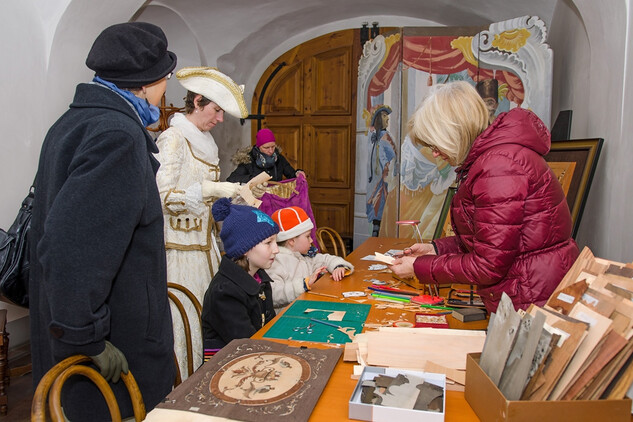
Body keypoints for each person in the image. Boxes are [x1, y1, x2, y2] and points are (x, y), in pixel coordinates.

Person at [29, 22, 177, 420]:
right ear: (147, 83)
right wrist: (87, 339)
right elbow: (71, 247)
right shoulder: (117, 134)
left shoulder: (74, 122)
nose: (166, 90)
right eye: (166, 79)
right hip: (113, 347)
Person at [390, 81, 579, 313]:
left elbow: (489, 265)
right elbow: (491, 241)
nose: (436, 153)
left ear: (454, 132)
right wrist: (436, 249)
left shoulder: (498, 167)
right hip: (528, 289)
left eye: (436, 144)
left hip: (531, 298)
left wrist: (419, 267)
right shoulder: (496, 159)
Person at [154, 66, 248, 379]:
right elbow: (164, 197)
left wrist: (240, 194)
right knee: (185, 323)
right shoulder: (173, 139)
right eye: (217, 110)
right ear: (197, 102)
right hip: (178, 252)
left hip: (205, 249)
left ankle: (206, 384)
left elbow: (209, 205)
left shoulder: (206, 143)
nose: (220, 119)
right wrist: (211, 189)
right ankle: (178, 390)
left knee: (209, 318)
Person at [201, 197, 279, 361]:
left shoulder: (260, 280)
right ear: (244, 248)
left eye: (276, 242)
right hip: (227, 370)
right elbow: (246, 346)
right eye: (268, 243)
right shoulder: (225, 292)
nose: (276, 249)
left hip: (257, 360)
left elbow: (269, 329)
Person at [268, 206, 354, 311]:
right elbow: (273, 294)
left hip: (306, 308)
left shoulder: (305, 256)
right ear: (291, 240)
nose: (311, 240)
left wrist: (339, 267)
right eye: (307, 236)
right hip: (286, 317)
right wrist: (303, 285)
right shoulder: (275, 262)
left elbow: (326, 259)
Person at [227, 128, 305, 184]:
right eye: (266, 148)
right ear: (258, 147)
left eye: (273, 146)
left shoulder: (279, 158)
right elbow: (232, 179)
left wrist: (298, 173)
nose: (271, 151)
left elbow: (291, 174)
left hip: (275, 199)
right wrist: (253, 179)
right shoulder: (248, 160)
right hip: (256, 201)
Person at [366, 105, 397, 237]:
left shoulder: (386, 137)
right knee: (373, 203)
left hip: (383, 179)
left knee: (380, 204)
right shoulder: (374, 137)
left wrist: (388, 172)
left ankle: (377, 231)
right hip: (374, 178)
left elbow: (394, 156)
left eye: (387, 116)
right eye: (384, 116)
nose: (387, 119)